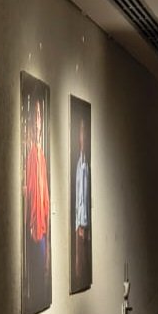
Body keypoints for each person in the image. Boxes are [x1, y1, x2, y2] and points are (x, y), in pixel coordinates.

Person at [24, 96, 50, 311]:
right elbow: (30, 194)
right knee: (36, 278)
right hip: (35, 233)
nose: (37, 121)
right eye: (35, 116)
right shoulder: (32, 155)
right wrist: (32, 226)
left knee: (42, 277)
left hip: (42, 231)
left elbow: (45, 199)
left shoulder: (41, 156)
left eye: (40, 116)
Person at [73, 117, 91, 286]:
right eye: (81, 133)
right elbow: (78, 197)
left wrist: (84, 225)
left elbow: (85, 197)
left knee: (83, 265)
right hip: (80, 225)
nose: (83, 137)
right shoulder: (79, 163)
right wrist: (78, 224)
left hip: (84, 225)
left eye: (85, 132)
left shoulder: (86, 164)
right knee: (79, 267)